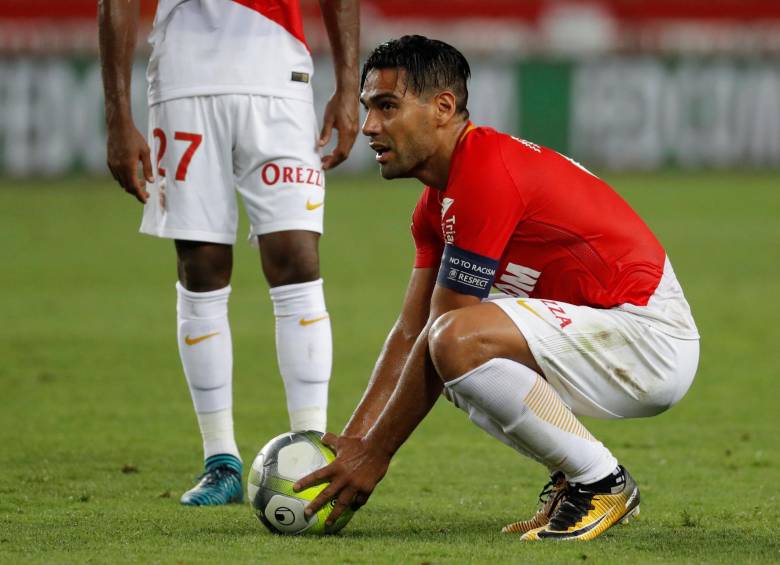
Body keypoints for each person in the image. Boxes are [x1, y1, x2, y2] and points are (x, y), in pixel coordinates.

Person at [294, 35, 700, 541]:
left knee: (455, 343)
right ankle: (574, 477)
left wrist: (375, 455)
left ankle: (601, 482)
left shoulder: (486, 172)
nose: (371, 126)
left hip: (648, 338)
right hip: (599, 333)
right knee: (447, 352)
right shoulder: (434, 206)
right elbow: (409, 333)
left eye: (387, 106)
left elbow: (442, 334)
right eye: (368, 108)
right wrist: (351, 447)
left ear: (443, 108)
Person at [98, 0, 359, 506]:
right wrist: (117, 115)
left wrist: (349, 87)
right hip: (184, 79)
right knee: (201, 266)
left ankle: (309, 449)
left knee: (298, 262)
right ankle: (221, 461)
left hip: (280, 75)